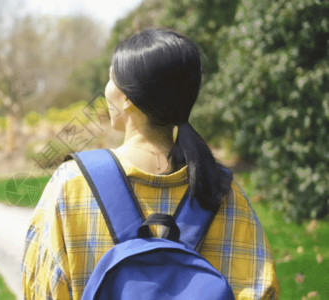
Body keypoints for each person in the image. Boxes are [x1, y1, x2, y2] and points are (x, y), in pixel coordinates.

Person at [21, 27, 279, 299]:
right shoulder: (223, 193)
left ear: (128, 98)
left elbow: (40, 288)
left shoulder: (71, 186)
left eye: (111, 78)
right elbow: (262, 291)